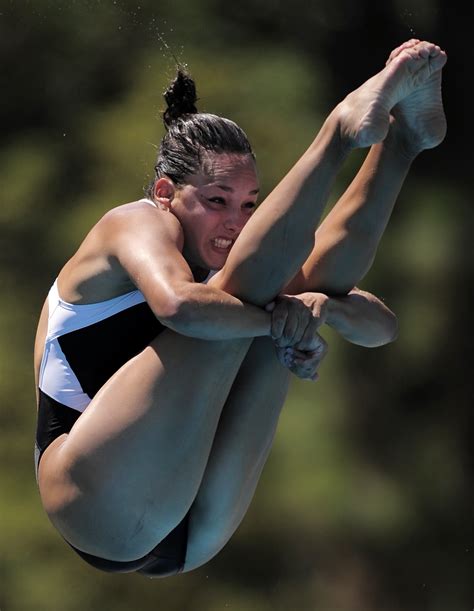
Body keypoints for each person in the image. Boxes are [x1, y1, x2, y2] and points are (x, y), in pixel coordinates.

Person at [33, 39, 447, 577]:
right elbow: (178, 307)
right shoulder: (134, 224)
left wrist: (320, 313)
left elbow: (383, 328)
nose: (235, 222)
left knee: (293, 284)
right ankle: (338, 131)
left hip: (191, 534)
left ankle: (403, 142)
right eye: (217, 202)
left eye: (250, 204)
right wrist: (284, 322)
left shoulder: (241, 261)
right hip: (94, 500)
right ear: (166, 192)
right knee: (252, 296)